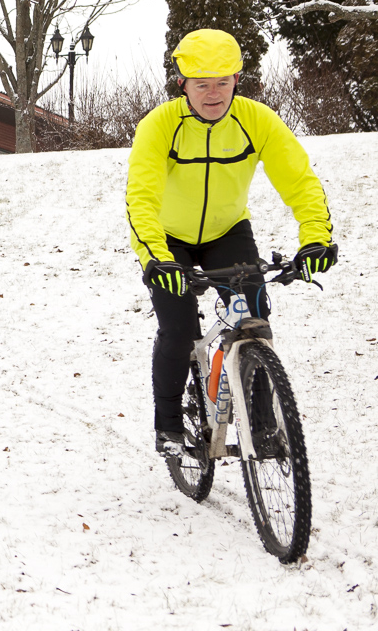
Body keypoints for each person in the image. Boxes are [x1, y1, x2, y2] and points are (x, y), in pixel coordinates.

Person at [126, 29, 336, 458]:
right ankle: (167, 425)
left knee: (254, 320)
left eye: (223, 81)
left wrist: (315, 239)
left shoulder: (256, 120)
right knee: (180, 330)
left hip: (228, 233)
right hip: (169, 241)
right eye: (202, 83)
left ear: (238, 78)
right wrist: (155, 258)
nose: (214, 92)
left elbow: (299, 180)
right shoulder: (160, 125)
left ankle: (261, 425)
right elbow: (141, 197)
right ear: (182, 82)